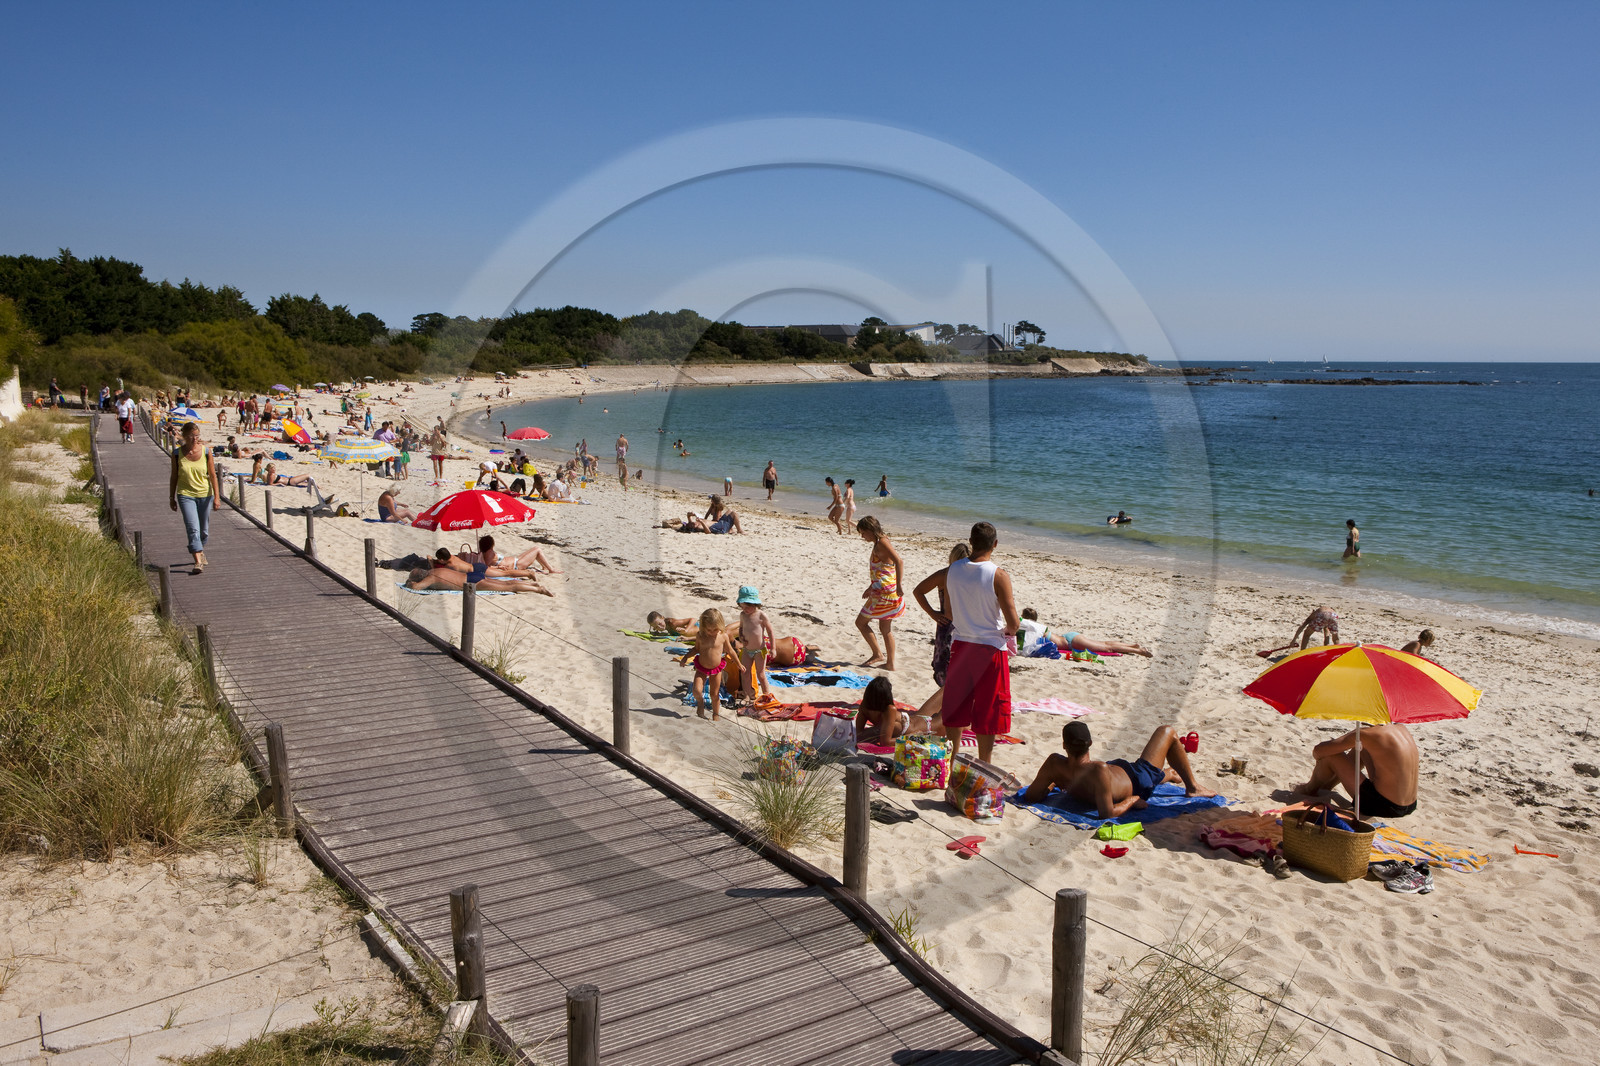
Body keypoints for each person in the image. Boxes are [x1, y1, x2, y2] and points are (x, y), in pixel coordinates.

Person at [916, 521, 1017, 763]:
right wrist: (1007, 630)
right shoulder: (998, 575)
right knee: (988, 710)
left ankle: (952, 762)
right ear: (995, 544)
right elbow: (1013, 622)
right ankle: (984, 764)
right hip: (990, 649)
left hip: (960, 645)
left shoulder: (952, 570)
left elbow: (919, 590)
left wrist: (935, 615)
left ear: (970, 542)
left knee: (956, 708)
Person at [1022, 722, 1215, 818]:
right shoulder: (1098, 770)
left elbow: (1031, 796)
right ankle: (1192, 787)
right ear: (1090, 743)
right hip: (1138, 780)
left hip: (1119, 771)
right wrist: (1131, 800)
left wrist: (1054, 783)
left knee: (1145, 770)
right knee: (1168, 732)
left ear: (1064, 745)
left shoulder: (1054, 764)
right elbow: (1107, 813)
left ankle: (1168, 774)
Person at [1294, 722, 1418, 818]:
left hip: (1383, 806)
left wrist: (1354, 734)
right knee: (1361, 749)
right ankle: (1327, 786)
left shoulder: (1367, 734)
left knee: (1332, 756)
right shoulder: (1401, 728)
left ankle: (1309, 789)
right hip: (1409, 805)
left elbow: (1318, 751)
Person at [911, 543, 972, 723]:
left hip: (960, 628)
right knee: (943, 667)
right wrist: (933, 613)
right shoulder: (945, 575)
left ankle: (953, 706)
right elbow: (918, 591)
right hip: (949, 626)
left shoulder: (967, 575)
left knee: (955, 668)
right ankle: (949, 706)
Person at [169, 421, 222, 574]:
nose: (195, 439)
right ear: (184, 436)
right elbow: (174, 477)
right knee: (193, 528)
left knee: (204, 531)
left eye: (197, 436)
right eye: (191, 436)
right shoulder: (177, 454)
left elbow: (213, 475)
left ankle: (200, 549)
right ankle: (198, 561)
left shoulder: (206, 452)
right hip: (185, 495)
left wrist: (217, 497)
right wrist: (171, 497)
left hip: (205, 494)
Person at [855, 516, 905, 670]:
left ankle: (878, 654)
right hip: (883, 590)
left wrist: (899, 585)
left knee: (860, 623)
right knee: (885, 629)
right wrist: (871, 587)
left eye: (863, 533)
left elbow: (899, 561)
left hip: (884, 593)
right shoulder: (881, 541)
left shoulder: (882, 542)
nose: (862, 537)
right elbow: (883, 569)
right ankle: (889, 664)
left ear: (870, 530)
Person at [1017, 607, 1153, 657]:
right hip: (1070, 638)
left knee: (1107, 647)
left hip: (1072, 642)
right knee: (1104, 643)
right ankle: (1132, 645)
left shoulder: (1038, 630)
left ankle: (1138, 651)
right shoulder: (1039, 629)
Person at [854, 676, 930, 746]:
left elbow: (885, 742)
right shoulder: (887, 708)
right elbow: (859, 734)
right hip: (908, 725)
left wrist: (909, 737)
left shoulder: (867, 706)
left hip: (908, 726)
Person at [688, 608, 734, 720]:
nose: (712, 632)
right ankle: (700, 703)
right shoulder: (700, 635)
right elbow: (696, 649)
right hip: (701, 667)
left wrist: (738, 664)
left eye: (715, 629)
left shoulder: (723, 636)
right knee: (696, 690)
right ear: (703, 627)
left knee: (714, 694)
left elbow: (730, 650)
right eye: (709, 630)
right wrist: (685, 658)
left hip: (716, 668)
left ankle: (716, 715)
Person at [734, 586, 776, 702]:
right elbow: (741, 628)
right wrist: (741, 638)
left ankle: (767, 696)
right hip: (747, 650)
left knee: (761, 675)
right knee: (745, 673)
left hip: (759, 651)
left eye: (747, 607)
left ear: (755, 604)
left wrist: (773, 648)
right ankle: (749, 696)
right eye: (742, 607)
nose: (745, 609)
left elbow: (770, 631)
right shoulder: (743, 615)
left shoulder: (761, 615)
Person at [404, 566, 552, 595]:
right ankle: (532, 584)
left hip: (472, 583)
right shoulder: (435, 571)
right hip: (474, 576)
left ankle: (538, 589)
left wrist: (410, 583)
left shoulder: (431, 578)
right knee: (506, 583)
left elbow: (416, 588)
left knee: (508, 587)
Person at [479, 534, 560, 575]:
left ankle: (544, 566)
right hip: (516, 565)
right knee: (537, 550)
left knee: (535, 548)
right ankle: (551, 570)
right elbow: (486, 567)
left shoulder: (487, 552)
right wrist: (498, 567)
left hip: (515, 561)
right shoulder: (489, 553)